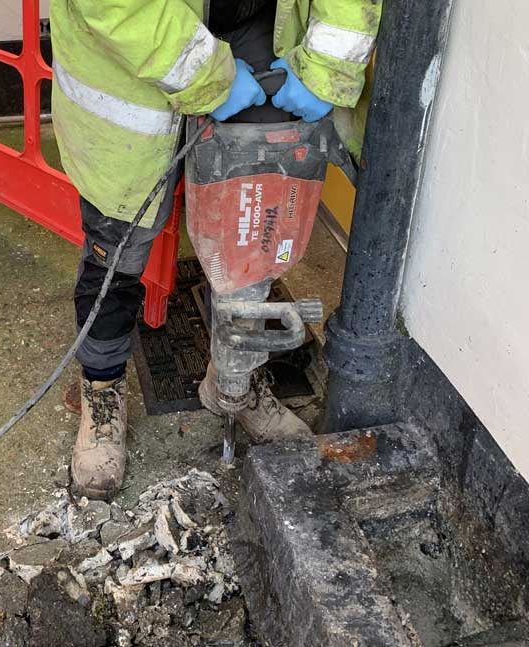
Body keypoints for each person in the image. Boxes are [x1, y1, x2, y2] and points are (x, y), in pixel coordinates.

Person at [50, 0, 382, 499]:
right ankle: (102, 386)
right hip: (130, 59)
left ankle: (232, 381)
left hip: (260, 31)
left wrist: (326, 68)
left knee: (255, 232)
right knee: (117, 249)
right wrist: (211, 76)